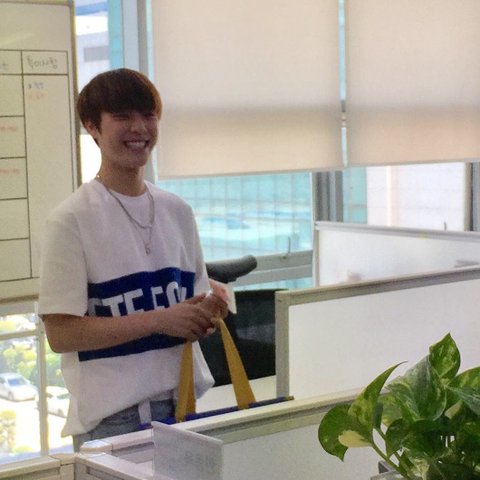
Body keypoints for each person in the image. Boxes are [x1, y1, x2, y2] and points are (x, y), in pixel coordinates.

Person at [38, 68, 228, 451]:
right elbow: (61, 334)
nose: (139, 128)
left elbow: (189, 308)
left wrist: (208, 311)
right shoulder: (71, 219)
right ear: (93, 127)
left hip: (184, 409)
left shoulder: (178, 211)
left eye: (148, 115)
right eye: (122, 116)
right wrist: (160, 319)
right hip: (113, 423)